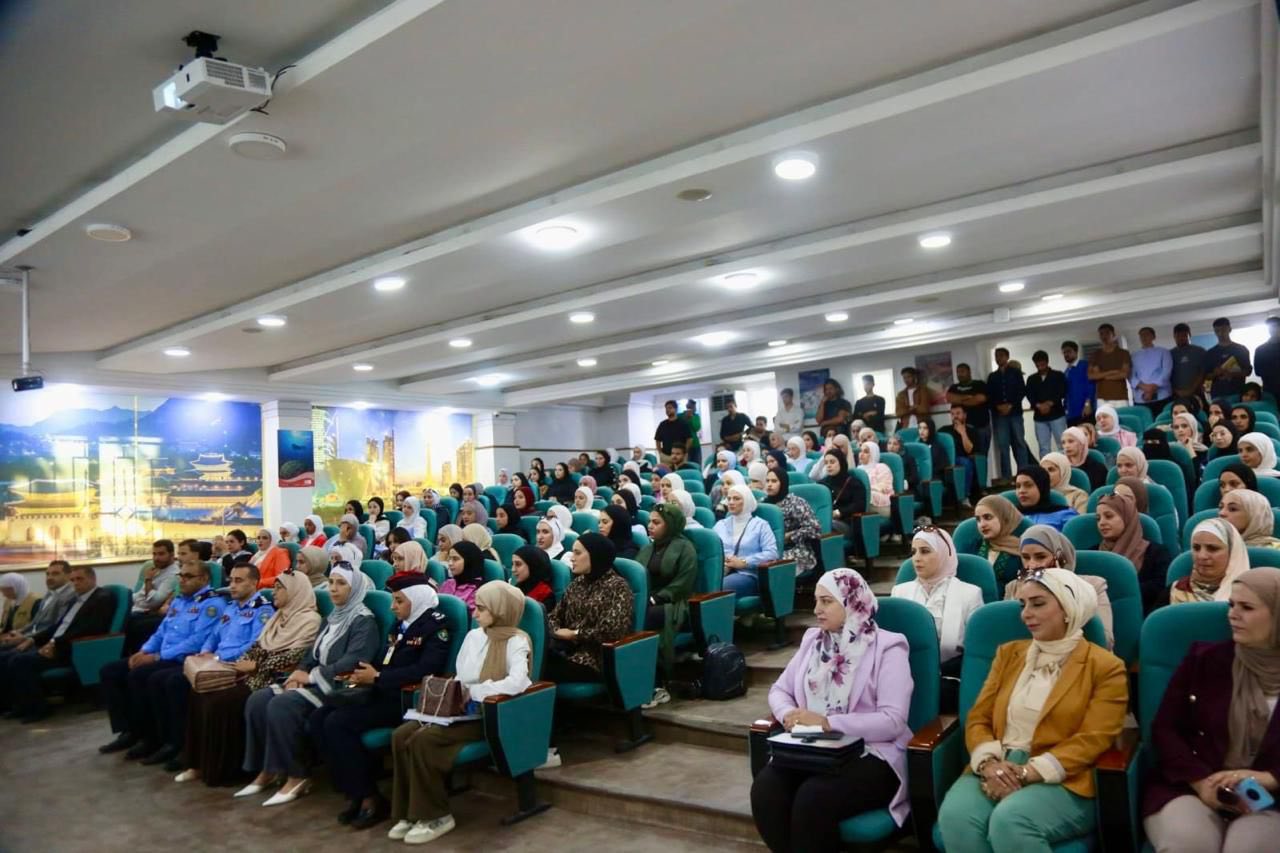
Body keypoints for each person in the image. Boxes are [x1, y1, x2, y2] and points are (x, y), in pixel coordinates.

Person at [936, 568, 1127, 853]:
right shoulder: (1009, 654)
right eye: (1023, 605)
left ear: (1069, 609)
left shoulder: (1106, 667)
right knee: (956, 818)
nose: (1026, 614)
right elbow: (979, 717)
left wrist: (1028, 772)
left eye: (1038, 604)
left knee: (1011, 820)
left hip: (1065, 777)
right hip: (999, 763)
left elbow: (1094, 738)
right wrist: (990, 765)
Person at [750, 569, 913, 852]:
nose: (816, 610)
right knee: (766, 789)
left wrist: (828, 723)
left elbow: (892, 721)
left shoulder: (889, 647)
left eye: (826, 601)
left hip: (872, 752)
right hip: (815, 748)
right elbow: (779, 690)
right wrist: (788, 714)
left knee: (813, 798)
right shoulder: (813, 641)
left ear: (851, 602)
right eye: (816, 601)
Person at [1142, 567, 1280, 851]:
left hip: (1272, 798)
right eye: (1231, 605)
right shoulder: (1204, 659)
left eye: (1247, 608)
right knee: (1189, 844)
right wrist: (1200, 782)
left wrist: (1271, 778)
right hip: (1191, 785)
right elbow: (1166, 729)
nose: (1233, 615)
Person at [387, 581, 531, 844]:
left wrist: (474, 692)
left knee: (424, 740)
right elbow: (461, 676)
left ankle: (436, 815)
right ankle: (408, 812)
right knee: (401, 735)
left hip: (488, 714)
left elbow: (517, 682)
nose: (475, 614)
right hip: (458, 710)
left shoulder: (517, 641)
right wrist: (455, 695)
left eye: (482, 609)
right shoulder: (473, 636)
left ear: (500, 610)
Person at [238, 565, 379, 806]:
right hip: (314, 680)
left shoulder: (364, 622)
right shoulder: (332, 617)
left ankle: (297, 775)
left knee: (282, 704)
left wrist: (312, 677)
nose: (333, 589)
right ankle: (270, 769)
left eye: (341, 583)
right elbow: (311, 653)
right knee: (258, 700)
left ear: (354, 588)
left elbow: (354, 660)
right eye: (331, 582)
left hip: (338, 685)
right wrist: (299, 672)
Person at [315, 584, 450, 830]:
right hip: (380, 690)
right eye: (393, 600)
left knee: (338, 723)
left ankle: (370, 798)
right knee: (319, 717)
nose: (392, 607)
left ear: (416, 600)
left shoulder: (435, 627)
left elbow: (426, 670)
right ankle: (353, 791)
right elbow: (385, 659)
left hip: (405, 699)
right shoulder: (400, 625)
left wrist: (377, 677)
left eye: (399, 601)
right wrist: (364, 674)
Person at [175, 569, 322, 787]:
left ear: (294, 591)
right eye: (275, 587)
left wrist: (257, 666)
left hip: (275, 678)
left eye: (279, 588)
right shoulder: (279, 616)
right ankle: (198, 764)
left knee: (221, 702)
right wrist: (246, 663)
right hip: (252, 673)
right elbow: (258, 647)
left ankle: (227, 771)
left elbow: (295, 657)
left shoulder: (310, 620)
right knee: (200, 693)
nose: (274, 592)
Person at [147, 563, 275, 771]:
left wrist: (218, 656)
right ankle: (179, 746)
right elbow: (214, 635)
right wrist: (207, 650)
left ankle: (192, 752)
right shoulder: (232, 607)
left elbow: (255, 645)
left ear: (254, 583)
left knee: (180, 685)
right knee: (173, 683)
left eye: (239, 581)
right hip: (216, 663)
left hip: (237, 667)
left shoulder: (262, 610)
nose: (232, 585)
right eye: (231, 580)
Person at [98, 560, 221, 758]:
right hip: (163, 655)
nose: (182, 580)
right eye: (181, 575)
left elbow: (197, 642)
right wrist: (145, 651)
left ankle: (158, 738)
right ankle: (129, 731)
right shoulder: (180, 601)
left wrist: (157, 656)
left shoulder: (212, 604)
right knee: (110, 671)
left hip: (184, 659)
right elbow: (161, 631)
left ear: (204, 579)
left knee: (141, 676)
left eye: (188, 576)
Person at [1, 564, 115, 722]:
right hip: (57, 643)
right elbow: (58, 626)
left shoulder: (102, 598)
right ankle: (17, 706)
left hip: (72, 648)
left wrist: (55, 644)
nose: (75, 583)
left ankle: (38, 709)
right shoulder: (77, 599)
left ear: (92, 579)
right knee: (7, 658)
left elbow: (89, 629)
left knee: (20, 661)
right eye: (73, 580)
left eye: (80, 579)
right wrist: (32, 639)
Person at [892, 527, 983, 680]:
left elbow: (976, 652)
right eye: (914, 552)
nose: (916, 558)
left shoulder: (970, 594)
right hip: (905, 675)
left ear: (943, 554)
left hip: (951, 678)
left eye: (925, 551)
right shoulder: (899, 592)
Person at [544, 532, 633, 683]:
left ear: (596, 555)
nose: (572, 558)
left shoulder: (618, 587)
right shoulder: (577, 583)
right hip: (565, 650)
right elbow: (553, 616)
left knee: (540, 667)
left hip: (594, 659)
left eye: (578, 553)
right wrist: (557, 631)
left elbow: (611, 631)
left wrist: (575, 634)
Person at [635, 503, 697, 704]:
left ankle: (655, 680)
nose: (650, 526)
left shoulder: (685, 548)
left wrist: (656, 598)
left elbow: (683, 583)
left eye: (656, 522)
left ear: (669, 524)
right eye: (649, 522)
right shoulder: (648, 548)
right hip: (647, 601)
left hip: (675, 603)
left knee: (640, 620)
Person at [1097, 492, 1172, 614]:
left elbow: (1160, 591)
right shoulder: (1093, 553)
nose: (1102, 523)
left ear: (1127, 518)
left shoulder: (1156, 553)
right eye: (1098, 518)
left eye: (1109, 516)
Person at [0, 560, 74, 665]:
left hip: (43, 641)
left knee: (8, 658)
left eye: (55, 574)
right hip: (32, 636)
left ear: (69, 575)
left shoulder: (70, 596)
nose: (49, 577)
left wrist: (26, 638)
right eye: (48, 574)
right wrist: (18, 632)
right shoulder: (50, 593)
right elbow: (35, 623)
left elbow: (54, 626)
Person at [713, 483, 780, 598]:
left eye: (736, 498)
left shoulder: (760, 525)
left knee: (721, 587)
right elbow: (712, 551)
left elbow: (772, 553)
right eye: (729, 498)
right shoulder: (720, 525)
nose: (731, 502)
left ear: (747, 501)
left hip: (748, 574)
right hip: (721, 572)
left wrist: (744, 562)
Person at [1172, 518, 1250, 605]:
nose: (1202, 556)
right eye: (1196, 548)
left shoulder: (1252, 595)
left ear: (1232, 552)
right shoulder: (1177, 589)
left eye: (1212, 548)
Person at [764, 469, 821, 576]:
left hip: (794, 550)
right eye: (767, 481)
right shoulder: (763, 504)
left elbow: (814, 528)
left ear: (783, 483)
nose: (769, 484)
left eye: (774, 481)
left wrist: (790, 535)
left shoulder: (795, 503)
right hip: (769, 550)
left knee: (774, 570)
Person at [127, 539, 179, 650]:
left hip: (146, 612)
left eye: (161, 554)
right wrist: (125, 601)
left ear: (171, 555)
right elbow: (139, 595)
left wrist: (148, 580)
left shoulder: (173, 574)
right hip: (136, 607)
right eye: (154, 554)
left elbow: (154, 601)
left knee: (127, 623)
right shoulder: (155, 570)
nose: (156, 558)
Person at [988, 347, 1031, 482]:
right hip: (999, 415)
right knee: (1003, 445)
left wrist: (1011, 405)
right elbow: (990, 395)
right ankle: (1006, 477)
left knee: (1019, 442)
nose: (998, 358)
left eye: (1001, 355)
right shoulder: (992, 376)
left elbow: (1021, 391)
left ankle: (1024, 473)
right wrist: (998, 406)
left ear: (1007, 357)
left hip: (1015, 413)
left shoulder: (1016, 373)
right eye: (996, 356)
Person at [1024, 350, 1068, 458]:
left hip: (1057, 415)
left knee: (1063, 444)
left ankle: (1066, 466)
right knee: (1043, 447)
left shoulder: (1058, 375)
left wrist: (1049, 404)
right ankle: (1046, 467)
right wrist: (1039, 405)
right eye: (1037, 364)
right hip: (1040, 417)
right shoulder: (1031, 379)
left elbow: (1062, 391)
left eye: (1042, 363)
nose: (1040, 366)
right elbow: (1029, 395)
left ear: (1047, 362)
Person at [973, 495, 1025, 586]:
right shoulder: (975, 546)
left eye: (988, 517)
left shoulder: (1024, 549)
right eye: (978, 520)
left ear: (1005, 518)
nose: (982, 524)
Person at [819, 449, 867, 541]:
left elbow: (859, 505)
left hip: (846, 522)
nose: (828, 465)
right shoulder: (822, 484)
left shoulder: (854, 483)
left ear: (841, 462)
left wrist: (839, 512)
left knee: (827, 526)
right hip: (825, 520)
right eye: (826, 463)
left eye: (832, 462)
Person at [946, 362, 991, 458]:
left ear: (969, 372)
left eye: (962, 371)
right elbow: (949, 398)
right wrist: (967, 397)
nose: (960, 374)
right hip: (962, 428)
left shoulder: (979, 384)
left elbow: (980, 398)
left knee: (981, 457)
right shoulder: (954, 387)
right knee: (965, 456)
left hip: (980, 427)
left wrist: (959, 400)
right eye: (958, 372)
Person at [1012, 466, 1078, 531]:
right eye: (1018, 486)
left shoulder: (1065, 515)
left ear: (1042, 488)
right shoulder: (1011, 516)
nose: (1021, 491)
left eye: (1028, 485)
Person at [940, 403, 979, 504]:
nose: (955, 416)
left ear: (965, 415)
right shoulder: (944, 430)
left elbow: (969, 450)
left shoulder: (971, 430)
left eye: (958, 413)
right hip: (946, 460)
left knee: (966, 463)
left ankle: (964, 497)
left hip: (960, 459)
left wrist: (963, 433)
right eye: (952, 414)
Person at [1131, 326, 1174, 417]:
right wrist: (1144, 388)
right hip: (1141, 397)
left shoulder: (1163, 352)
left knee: (1163, 421)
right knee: (1145, 423)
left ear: (1153, 337)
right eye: (1141, 335)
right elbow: (1131, 375)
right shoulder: (1134, 355)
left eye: (1147, 334)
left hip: (1162, 396)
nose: (1144, 337)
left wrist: (1151, 389)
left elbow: (1166, 371)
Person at [1088, 322, 1133, 407]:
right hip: (1102, 398)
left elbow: (1124, 374)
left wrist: (1101, 375)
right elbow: (1091, 376)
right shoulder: (1095, 355)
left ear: (1114, 335)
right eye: (1101, 334)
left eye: (1107, 333)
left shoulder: (1123, 353)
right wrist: (1113, 372)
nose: (1104, 336)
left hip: (1120, 397)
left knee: (1124, 416)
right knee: (1103, 416)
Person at [1207, 317, 1253, 398]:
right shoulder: (1210, 353)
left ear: (1229, 329)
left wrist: (1231, 374)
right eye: (1217, 331)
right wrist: (1215, 373)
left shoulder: (1241, 349)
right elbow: (1206, 376)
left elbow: (1248, 371)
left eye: (1223, 330)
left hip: (1238, 393)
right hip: (1217, 394)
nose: (1220, 334)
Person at [439, 541, 486, 615]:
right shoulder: (448, 583)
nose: (450, 563)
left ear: (468, 561)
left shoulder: (478, 591)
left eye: (455, 559)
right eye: (449, 559)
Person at [1171, 322, 1209, 404]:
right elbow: (1167, 375)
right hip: (1176, 395)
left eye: (1184, 335)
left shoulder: (1200, 351)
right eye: (1178, 336)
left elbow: (1203, 372)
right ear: (1174, 336)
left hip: (1198, 393)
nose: (1181, 338)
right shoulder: (1170, 354)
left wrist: (1191, 390)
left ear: (1190, 335)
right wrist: (1176, 391)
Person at [1061, 340, 1097, 425]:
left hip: (1085, 411)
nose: (1066, 354)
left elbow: (1091, 386)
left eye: (1068, 351)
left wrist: (1087, 404)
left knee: (1088, 433)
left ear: (1076, 352)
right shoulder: (1066, 372)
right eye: (1064, 352)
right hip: (1071, 414)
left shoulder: (1085, 365)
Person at [858, 441, 894, 519]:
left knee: (862, 496)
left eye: (866, 452)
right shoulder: (858, 469)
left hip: (882, 504)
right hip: (864, 500)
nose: (861, 454)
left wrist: (867, 489)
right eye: (860, 451)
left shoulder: (882, 467)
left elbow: (884, 488)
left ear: (873, 454)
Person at [1255, 316, 1280, 396]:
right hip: (1270, 390)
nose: (1273, 329)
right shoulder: (1260, 350)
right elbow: (1258, 371)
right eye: (1271, 327)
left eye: (1276, 326)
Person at [682, 399, 704, 466]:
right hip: (684, 445)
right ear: (686, 406)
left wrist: (691, 417)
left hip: (695, 445)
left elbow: (696, 428)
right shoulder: (680, 416)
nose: (693, 409)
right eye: (691, 407)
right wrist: (685, 417)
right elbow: (680, 426)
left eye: (694, 407)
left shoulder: (696, 416)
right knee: (686, 465)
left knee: (697, 464)